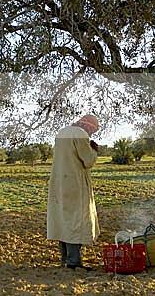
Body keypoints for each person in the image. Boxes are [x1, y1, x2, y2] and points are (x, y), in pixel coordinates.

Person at [47, 115, 100, 270]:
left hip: (59, 183)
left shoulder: (62, 132)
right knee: (75, 221)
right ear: (89, 126)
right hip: (75, 184)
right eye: (93, 130)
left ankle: (65, 259)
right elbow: (88, 160)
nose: (92, 133)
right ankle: (73, 262)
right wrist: (94, 150)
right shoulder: (80, 134)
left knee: (64, 220)